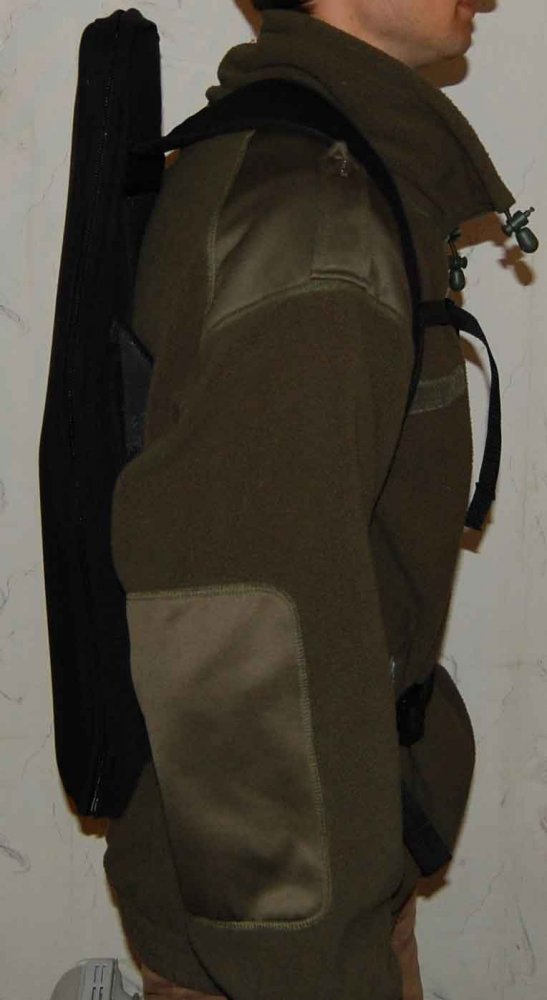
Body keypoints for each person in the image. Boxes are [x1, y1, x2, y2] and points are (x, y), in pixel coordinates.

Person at [103, 1, 514, 998]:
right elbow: (248, 651)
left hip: (311, 886)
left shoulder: (321, 164)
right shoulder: (312, 216)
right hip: (287, 933)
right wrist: (318, 966)